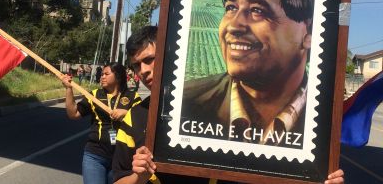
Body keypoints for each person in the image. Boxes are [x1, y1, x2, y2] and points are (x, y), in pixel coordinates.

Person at [112, 26, 344, 183]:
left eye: (149, 60)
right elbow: (119, 180)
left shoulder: (209, 108)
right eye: (135, 66)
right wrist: (138, 177)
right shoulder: (134, 118)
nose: (142, 71)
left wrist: (316, 177)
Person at [182, 0, 317, 147]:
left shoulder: (323, 121)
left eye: (257, 10)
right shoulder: (187, 103)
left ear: (309, 31)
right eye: (231, 8)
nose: (234, 26)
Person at [61, 62, 141, 184]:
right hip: (95, 155)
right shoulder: (94, 95)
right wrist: (68, 89)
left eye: (106, 74)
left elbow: (141, 124)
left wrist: (126, 113)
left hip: (121, 158)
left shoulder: (132, 97)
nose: (102, 76)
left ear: (118, 76)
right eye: (102, 74)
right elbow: (73, 114)